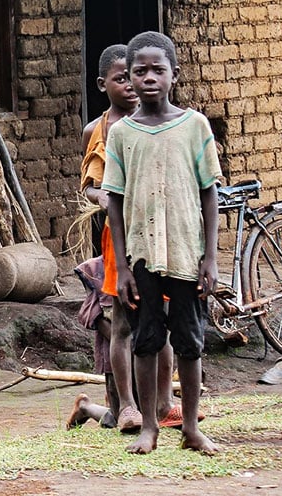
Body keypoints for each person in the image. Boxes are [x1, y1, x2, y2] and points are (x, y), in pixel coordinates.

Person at [103, 31, 221, 455]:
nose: (149, 78)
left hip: (188, 253)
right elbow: (114, 202)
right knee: (147, 338)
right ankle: (149, 426)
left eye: (158, 70)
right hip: (143, 255)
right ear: (129, 78)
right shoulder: (121, 134)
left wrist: (211, 256)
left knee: (190, 340)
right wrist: (120, 265)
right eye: (140, 71)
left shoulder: (195, 126)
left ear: (174, 74)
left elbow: (210, 192)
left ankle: (190, 426)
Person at [72, 45, 178, 433]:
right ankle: (127, 406)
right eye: (122, 78)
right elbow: (90, 186)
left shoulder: (157, 121)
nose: (133, 85)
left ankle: (165, 403)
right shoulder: (99, 131)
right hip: (117, 238)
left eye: (134, 75)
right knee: (121, 324)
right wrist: (108, 195)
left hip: (157, 237)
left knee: (159, 320)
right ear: (105, 85)